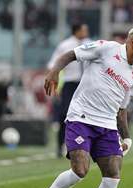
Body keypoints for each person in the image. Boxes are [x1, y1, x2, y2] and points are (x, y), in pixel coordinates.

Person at [31, 24, 133, 188]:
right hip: (81, 117)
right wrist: (54, 72)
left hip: (107, 126)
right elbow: (72, 54)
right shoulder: (106, 49)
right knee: (80, 171)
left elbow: (121, 109)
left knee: (113, 176)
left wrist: (126, 137)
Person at [46, 23, 91, 157]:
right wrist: (53, 84)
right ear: (77, 31)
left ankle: (83, 146)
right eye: (84, 29)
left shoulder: (90, 44)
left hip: (85, 85)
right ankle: (60, 146)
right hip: (70, 85)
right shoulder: (65, 46)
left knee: (86, 117)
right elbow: (53, 65)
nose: (87, 31)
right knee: (64, 116)